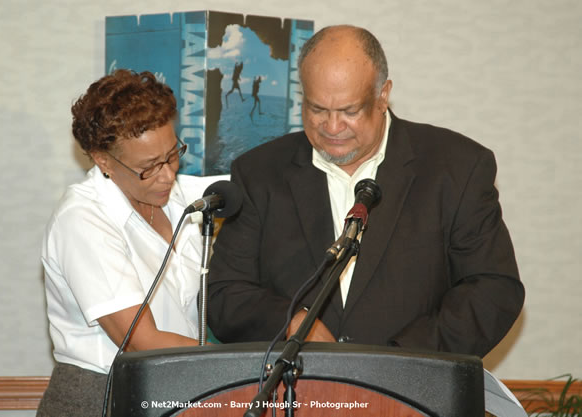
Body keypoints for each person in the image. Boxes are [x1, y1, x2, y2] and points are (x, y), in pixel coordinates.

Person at [207, 25, 524, 358]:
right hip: (296, 394)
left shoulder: (457, 167)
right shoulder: (259, 172)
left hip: (414, 393)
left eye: (349, 111)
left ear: (383, 95)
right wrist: (292, 324)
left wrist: (401, 361)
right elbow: (225, 294)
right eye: (317, 110)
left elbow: (493, 290)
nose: (332, 127)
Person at [38, 70, 203, 416]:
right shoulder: (82, 220)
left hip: (180, 384)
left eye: (173, 154)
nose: (168, 175)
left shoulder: (184, 196)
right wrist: (248, 361)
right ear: (103, 161)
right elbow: (141, 340)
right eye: (149, 167)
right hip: (101, 395)